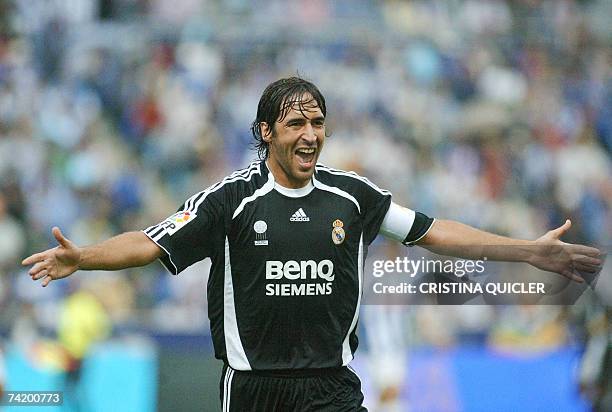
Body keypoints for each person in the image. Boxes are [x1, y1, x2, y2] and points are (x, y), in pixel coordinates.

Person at [22, 77, 602, 411]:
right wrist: (84, 257)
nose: (311, 134)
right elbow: (149, 243)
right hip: (254, 390)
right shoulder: (229, 201)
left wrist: (526, 249)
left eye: (318, 122)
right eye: (296, 124)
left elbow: (435, 233)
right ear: (266, 132)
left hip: (332, 385)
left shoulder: (353, 196)